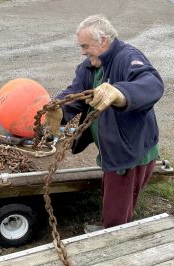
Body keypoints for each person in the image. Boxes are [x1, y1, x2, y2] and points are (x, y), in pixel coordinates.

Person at [44, 14, 164, 233]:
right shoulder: (89, 66)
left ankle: (112, 237)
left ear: (104, 41)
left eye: (85, 46)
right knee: (121, 196)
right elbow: (75, 92)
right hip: (114, 148)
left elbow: (152, 84)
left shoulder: (129, 57)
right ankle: (119, 224)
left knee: (118, 202)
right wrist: (59, 109)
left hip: (129, 150)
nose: (83, 51)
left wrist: (120, 92)